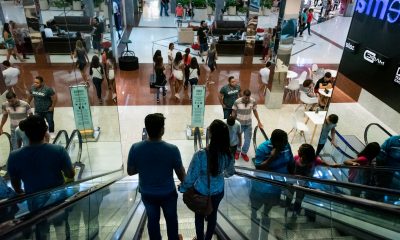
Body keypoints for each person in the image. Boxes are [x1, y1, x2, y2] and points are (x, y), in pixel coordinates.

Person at [127, 113, 185, 240]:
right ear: (162, 130)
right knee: (171, 220)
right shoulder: (172, 149)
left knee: (152, 221)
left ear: (146, 129)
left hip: (147, 194)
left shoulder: (135, 148)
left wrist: (144, 166)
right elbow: (180, 173)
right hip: (168, 194)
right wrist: (187, 186)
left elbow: (130, 171)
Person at [180, 119, 234, 240]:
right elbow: (230, 172)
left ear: (211, 134)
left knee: (199, 216)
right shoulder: (228, 153)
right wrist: (220, 174)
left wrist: (183, 188)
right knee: (213, 215)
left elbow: (190, 177)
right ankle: (208, 238)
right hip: (218, 191)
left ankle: (200, 238)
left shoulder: (200, 154)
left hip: (201, 191)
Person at [7, 115, 75, 194]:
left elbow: (16, 185)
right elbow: (70, 174)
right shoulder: (59, 150)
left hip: (33, 200)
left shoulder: (14, 156)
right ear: (45, 130)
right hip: (59, 197)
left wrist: (21, 192)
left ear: (25, 132)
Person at [250, 129, 293, 239]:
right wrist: (272, 157)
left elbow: (290, 162)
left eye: (285, 142)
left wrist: (291, 181)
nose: (285, 145)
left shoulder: (286, 145)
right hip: (260, 188)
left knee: (267, 211)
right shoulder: (262, 148)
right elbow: (258, 167)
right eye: (282, 143)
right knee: (255, 208)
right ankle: (254, 228)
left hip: (276, 187)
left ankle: (264, 229)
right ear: (274, 142)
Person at [232, 90, 263, 162]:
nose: (247, 99)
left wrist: (259, 121)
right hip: (239, 124)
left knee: (248, 140)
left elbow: (255, 111)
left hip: (248, 124)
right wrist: (232, 122)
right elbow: (234, 112)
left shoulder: (253, 101)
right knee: (237, 139)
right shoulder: (237, 102)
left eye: (248, 98)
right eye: (245, 98)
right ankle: (237, 151)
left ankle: (244, 153)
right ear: (242, 95)